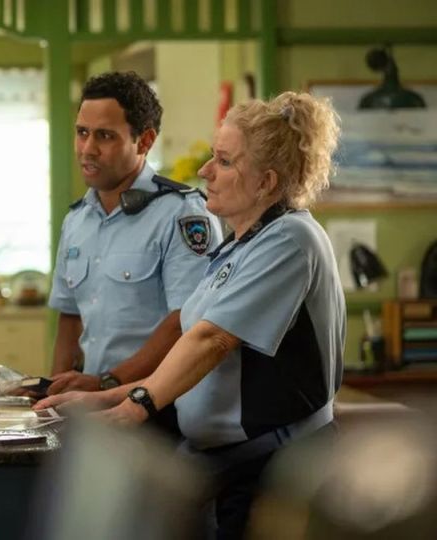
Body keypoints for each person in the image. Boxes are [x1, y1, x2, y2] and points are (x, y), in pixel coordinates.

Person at [36, 91, 345, 538]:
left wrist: (136, 408)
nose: (205, 172)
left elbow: (210, 341)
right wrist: (106, 397)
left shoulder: (291, 240)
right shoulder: (240, 245)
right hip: (230, 465)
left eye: (223, 161)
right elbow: (197, 356)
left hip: (278, 471)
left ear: (266, 182)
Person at [43, 71, 220, 401]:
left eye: (105, 136)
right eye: (82, 133)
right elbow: (69, 318)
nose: (88, 149)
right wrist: (53, 395)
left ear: (146, 140)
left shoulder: (182, 213)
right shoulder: (76, 220)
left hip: (158, 405)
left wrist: (108, 383)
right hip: (90, 402)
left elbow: (185, 320)